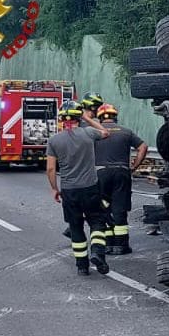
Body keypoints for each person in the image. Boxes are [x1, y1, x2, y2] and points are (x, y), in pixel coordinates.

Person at [46, 100, 111, 276]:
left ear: (61, 119)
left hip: (69, 190)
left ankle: (82, 266)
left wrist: (54, 188)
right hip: (90, 187)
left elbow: (51, 168)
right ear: (78, 117)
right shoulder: (89, 133)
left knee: (75, 226)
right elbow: (106, 132)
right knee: (97, 221)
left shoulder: (54, 141)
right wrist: (88, 119)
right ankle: (98, 252)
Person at [94, 103, 147, 255]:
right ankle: (121, 245)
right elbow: (143, 147)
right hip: (121, 173)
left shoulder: (95, 133)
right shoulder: (126, 132)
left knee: (104, 208)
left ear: (99, 118)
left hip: (100, 173)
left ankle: (108, 244)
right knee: (119, 208)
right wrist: (134, 166)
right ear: (114, 116)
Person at [61, 91, 106, 240]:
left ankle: (73, 228)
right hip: (86, 169)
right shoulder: (84, 122)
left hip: (85, 167)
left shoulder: (84, 121)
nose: (97, 111)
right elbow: (103, 132)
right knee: (97, 202)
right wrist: (87, 118)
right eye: (96, 108)